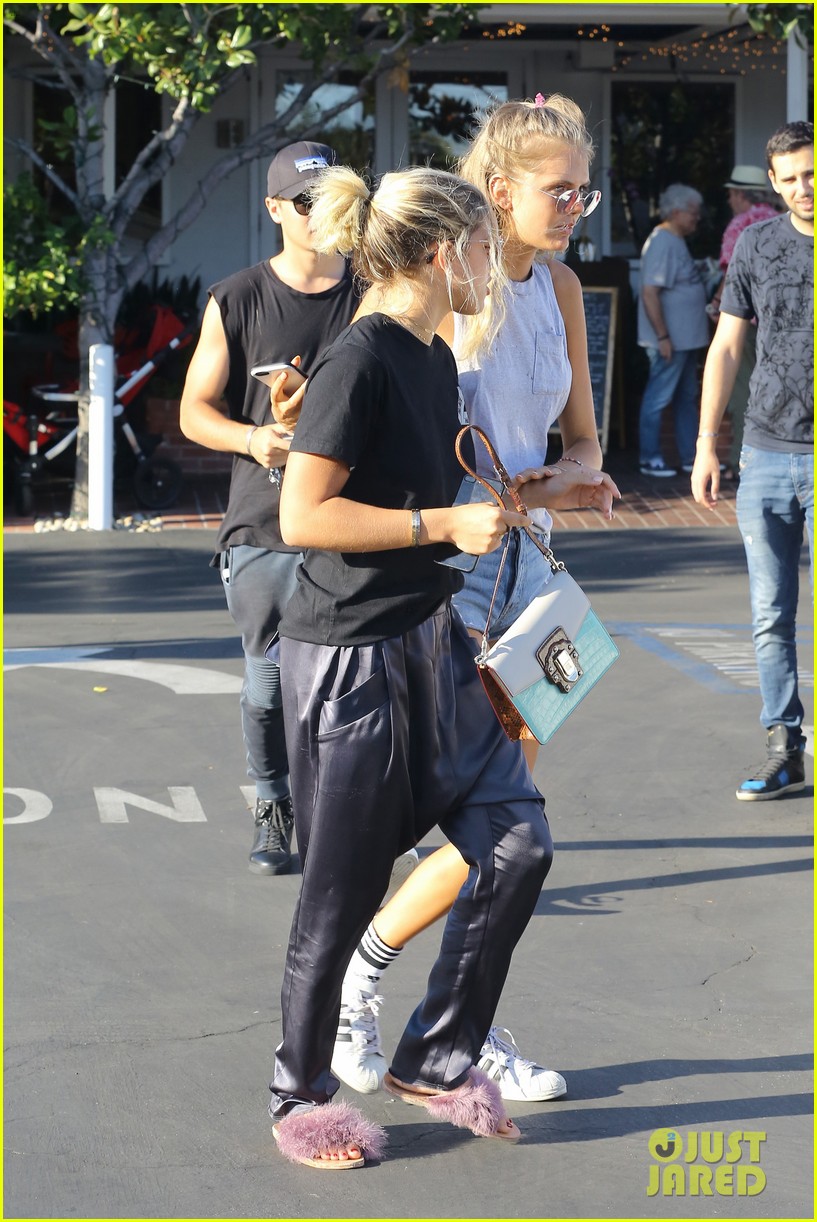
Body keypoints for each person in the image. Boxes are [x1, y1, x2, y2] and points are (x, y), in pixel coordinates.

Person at [331, 94, 621, 1104]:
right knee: (492, 818)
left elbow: (580, 438)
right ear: (498, 190)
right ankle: (369, 988)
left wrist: (569, 476)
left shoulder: (563, 286)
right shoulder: (447, 287)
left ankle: (436, 1018)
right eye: (559, 190)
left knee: (508, 815)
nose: (575, 206)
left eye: (584, 190)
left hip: (532, 574)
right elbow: (373, 420)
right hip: (448, 581)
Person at [269, 162, 554, 1169]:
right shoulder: (364, 356)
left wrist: (540, 492)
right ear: (443, 252)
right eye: (482, 246)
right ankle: (299, 1097)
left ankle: (435, 1058)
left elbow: (424, 489)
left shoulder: (432, 354)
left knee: (516, 841)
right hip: (349, 660)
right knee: (339, 896)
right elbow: (303, 516)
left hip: (429, 640)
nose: (493, 266)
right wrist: (440, 523)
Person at [180, 142, 376, 878]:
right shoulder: (238, 298)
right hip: (265, 522)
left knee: (359, 683)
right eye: (304, 202)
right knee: (267, 686)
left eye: (333, 199)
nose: (321, 214)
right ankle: (273, 802)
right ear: (273, 210)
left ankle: (357, 816)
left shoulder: (376, 291)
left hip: (355, 514)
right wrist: (253, 438)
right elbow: (195, 411)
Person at [691, 121, 813, 801]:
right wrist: (707, 443)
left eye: (812, 173)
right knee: (770, 615)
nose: (803, 187)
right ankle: (783, 749)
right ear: (772, 182)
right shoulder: (756, 245)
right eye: (790, 177)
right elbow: (727, 346)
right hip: (765, 451)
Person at [708, 165, 779, 479]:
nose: (729, 200)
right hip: (778, 320)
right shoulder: (781, 219)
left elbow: (731, 275)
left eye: (731, 194)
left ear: (740, 194)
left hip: (746, 321)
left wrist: (716, 304)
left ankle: (741, 460)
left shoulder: (742, 225)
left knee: (741, 390)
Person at [637, 183, 709, 478]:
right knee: (658, 398)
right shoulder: (662, 242)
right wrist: (663, 336)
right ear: (677, 212)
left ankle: (690, 457)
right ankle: (650, 458)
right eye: (693, 212)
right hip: (670, 341)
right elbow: (650, 293)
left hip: (684, 340)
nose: (697, 218)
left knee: (685, 398)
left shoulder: (674, 240)